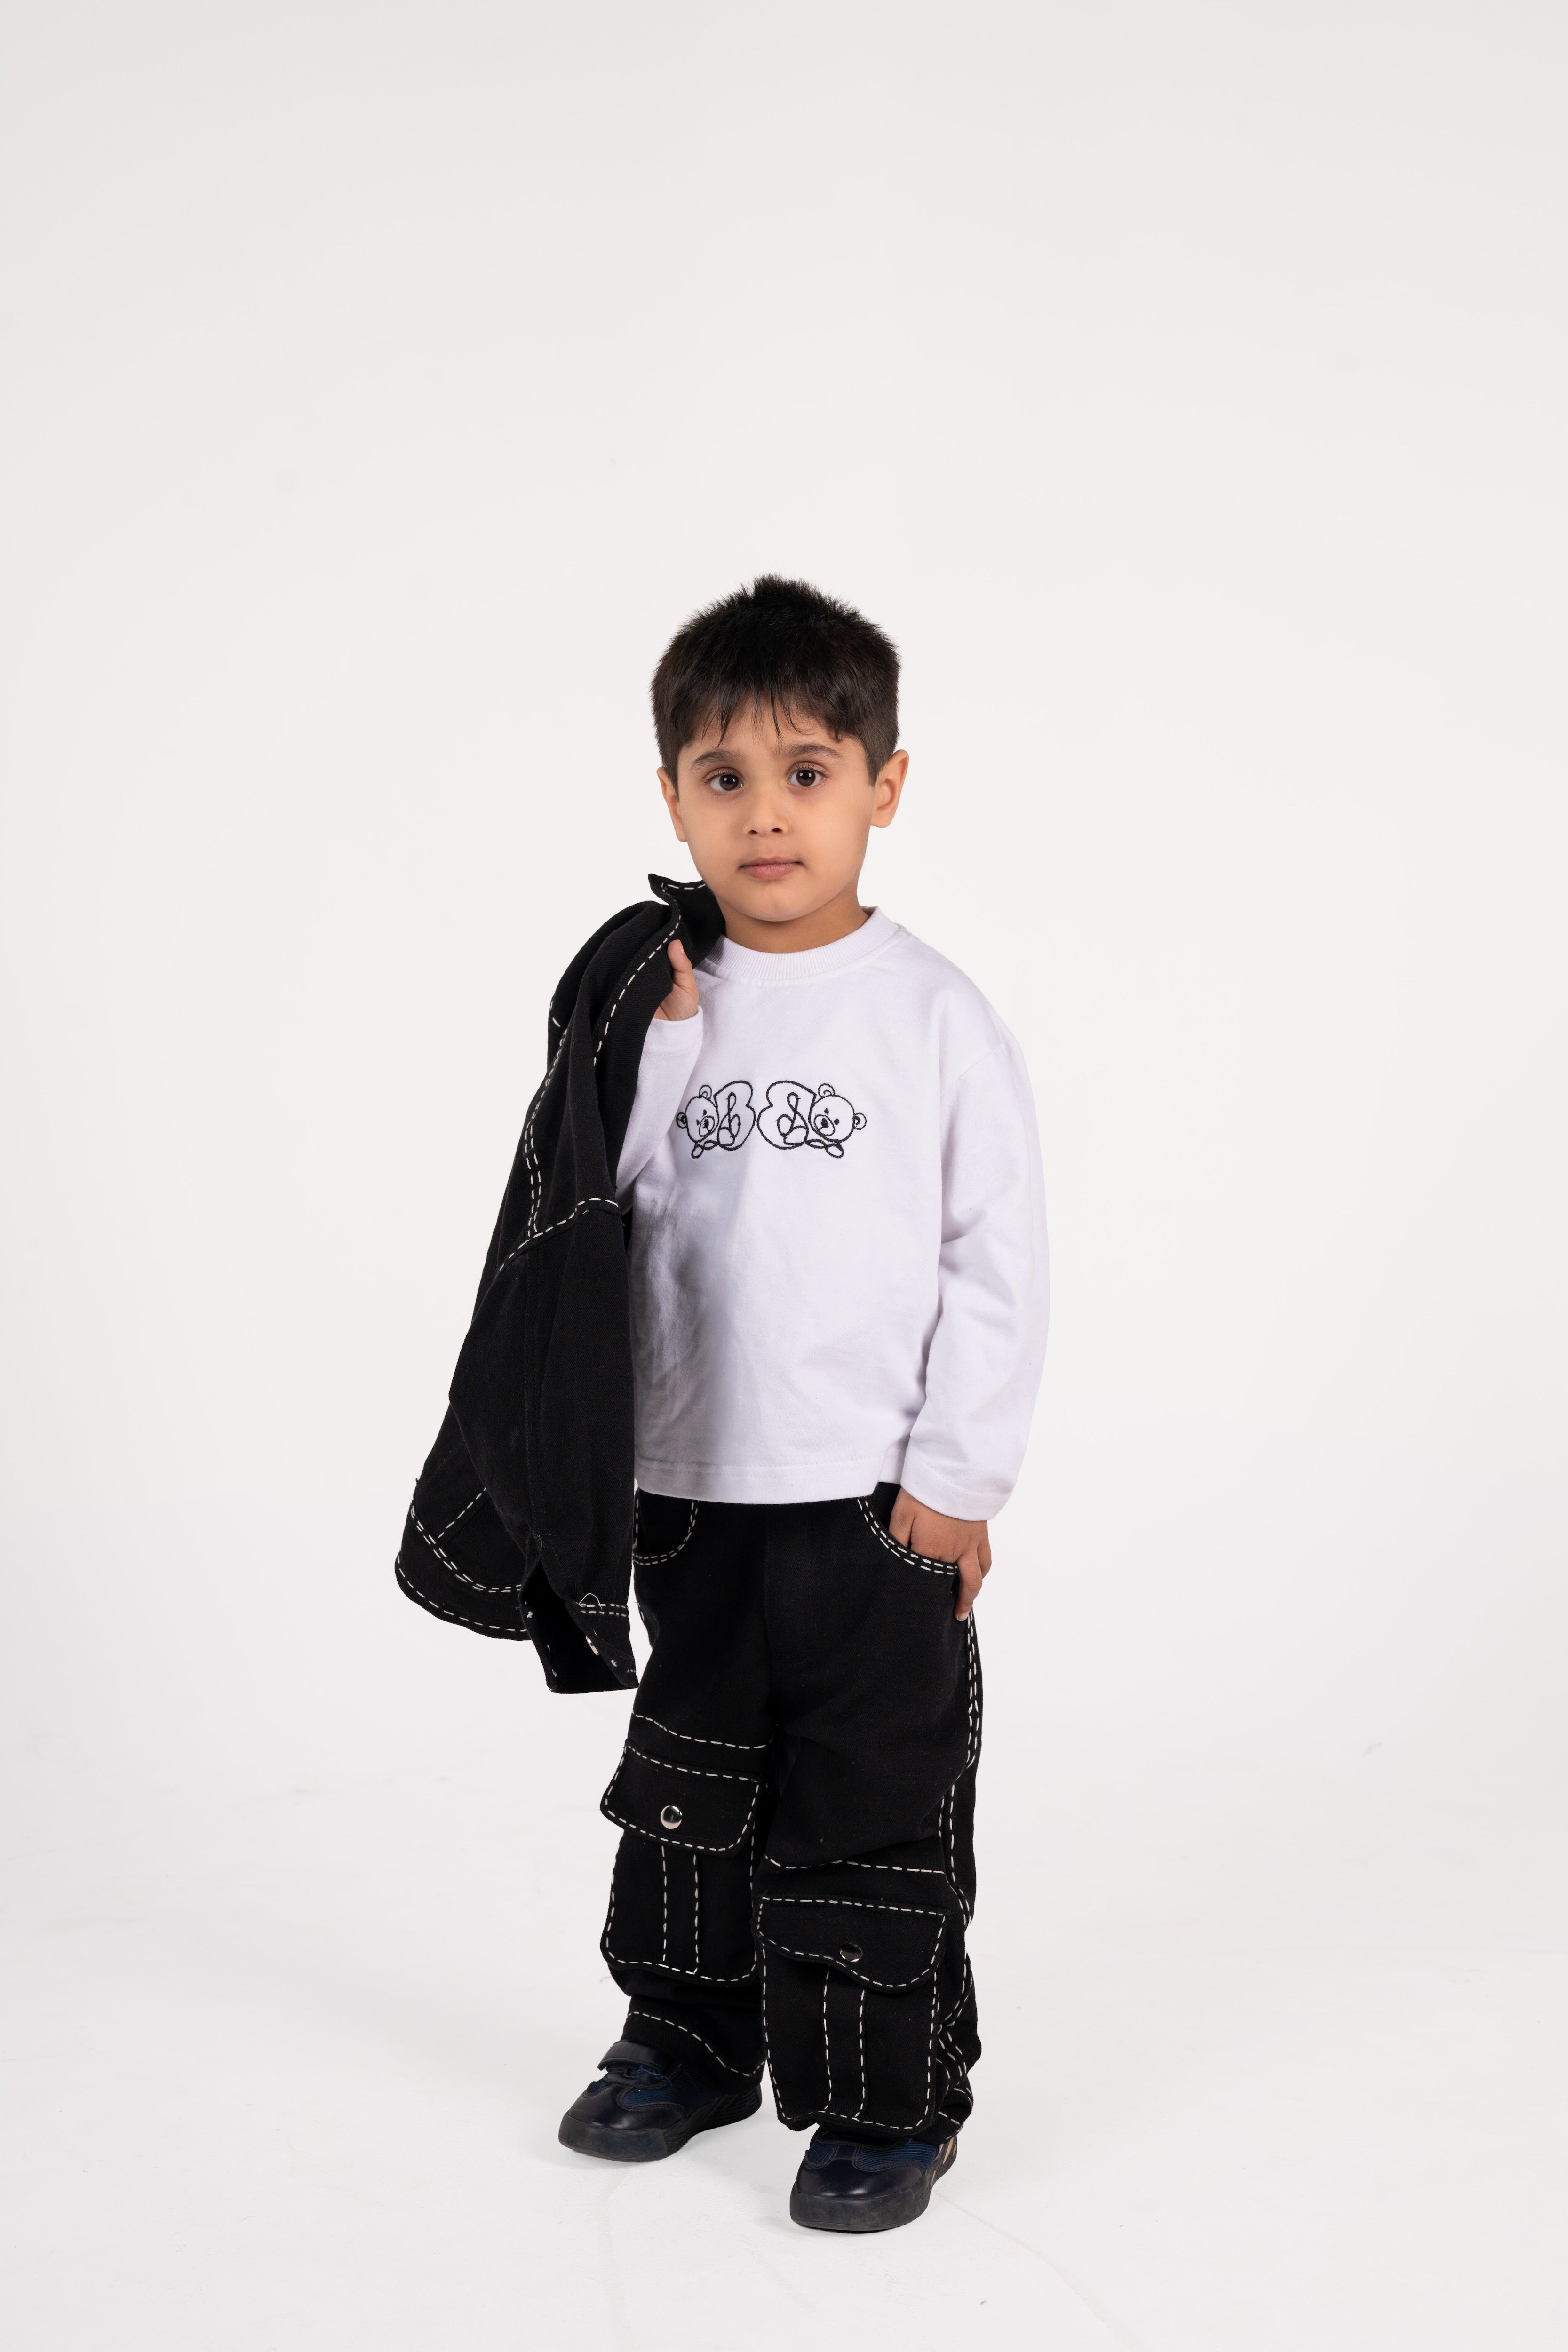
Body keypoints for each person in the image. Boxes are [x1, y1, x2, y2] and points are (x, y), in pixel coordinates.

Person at [552, 578, 1050, 2232]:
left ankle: (882, 2101)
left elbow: (997, 1262)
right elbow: (582, 1219)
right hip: (690, 1489)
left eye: (809, 771)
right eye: (723, 777)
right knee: (688, 1791)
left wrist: (957, 1483)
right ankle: (687, 2041)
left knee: (871, 1803)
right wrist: (665, 1053)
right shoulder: (647, 1001)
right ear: (672, 796)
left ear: (884, 787)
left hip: (874, 1507)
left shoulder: (933, 1018)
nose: (766, 813)